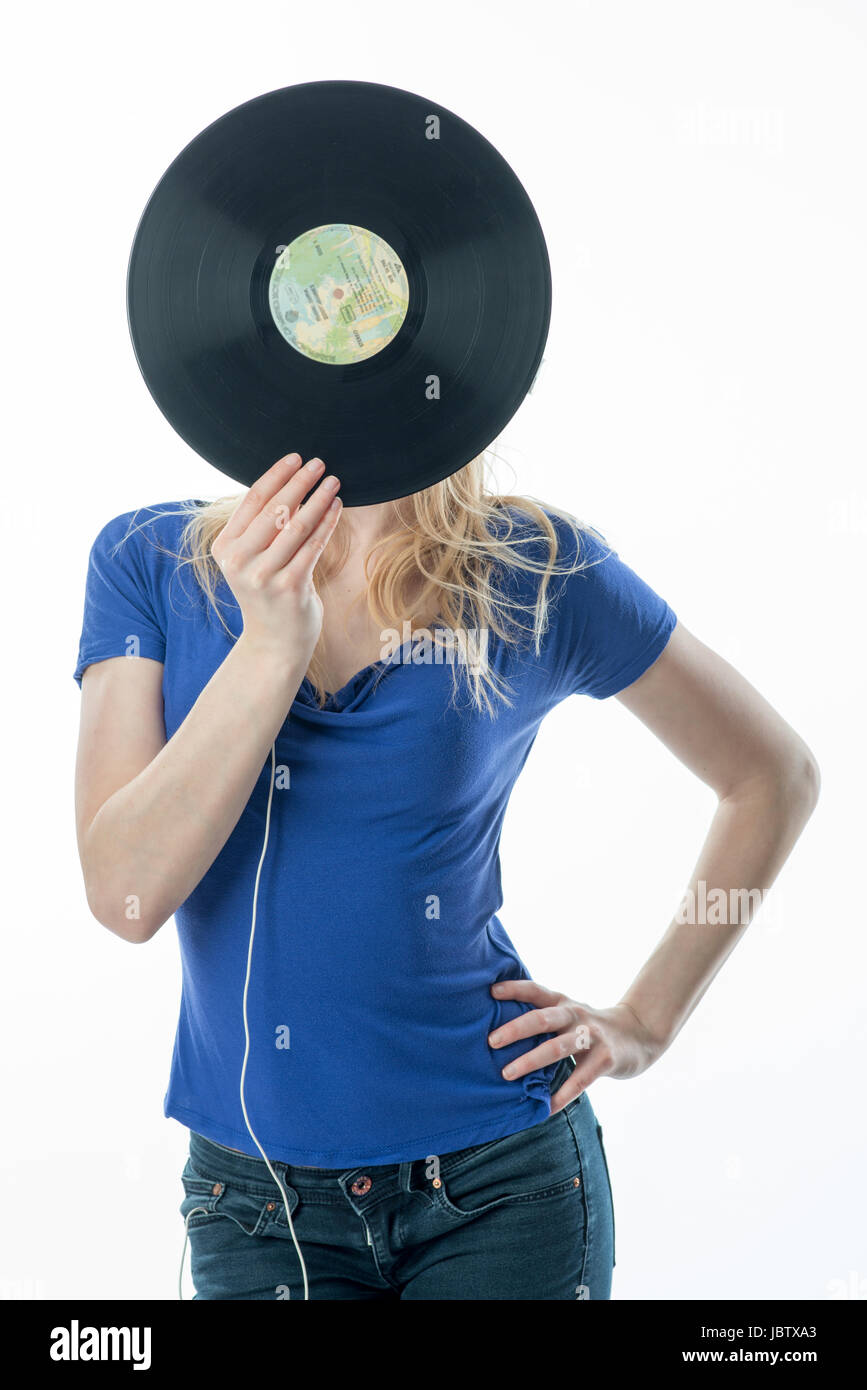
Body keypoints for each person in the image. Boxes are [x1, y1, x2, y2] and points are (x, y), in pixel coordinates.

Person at [72, 450, 819, 1300]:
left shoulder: (534, 568)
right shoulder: (150, 559)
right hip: (254, 1206)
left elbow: (772, 777)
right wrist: (271, 643)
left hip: (502, 1184)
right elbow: (123, 896)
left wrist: (644, 1021)